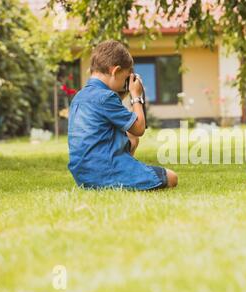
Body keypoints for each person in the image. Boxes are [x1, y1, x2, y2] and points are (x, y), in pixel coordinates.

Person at [68, 40, 178, 190]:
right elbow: (139, 128)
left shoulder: (79, 97)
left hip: (83, 175)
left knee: (132, 138)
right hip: (105, 170)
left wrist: (123, 92)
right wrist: (136, 95)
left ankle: (127, 173)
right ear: (115, 71)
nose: (124, 83)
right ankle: (122, 178)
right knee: (171, 177)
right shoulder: (106, 97)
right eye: (125, 77)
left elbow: (120, 125)